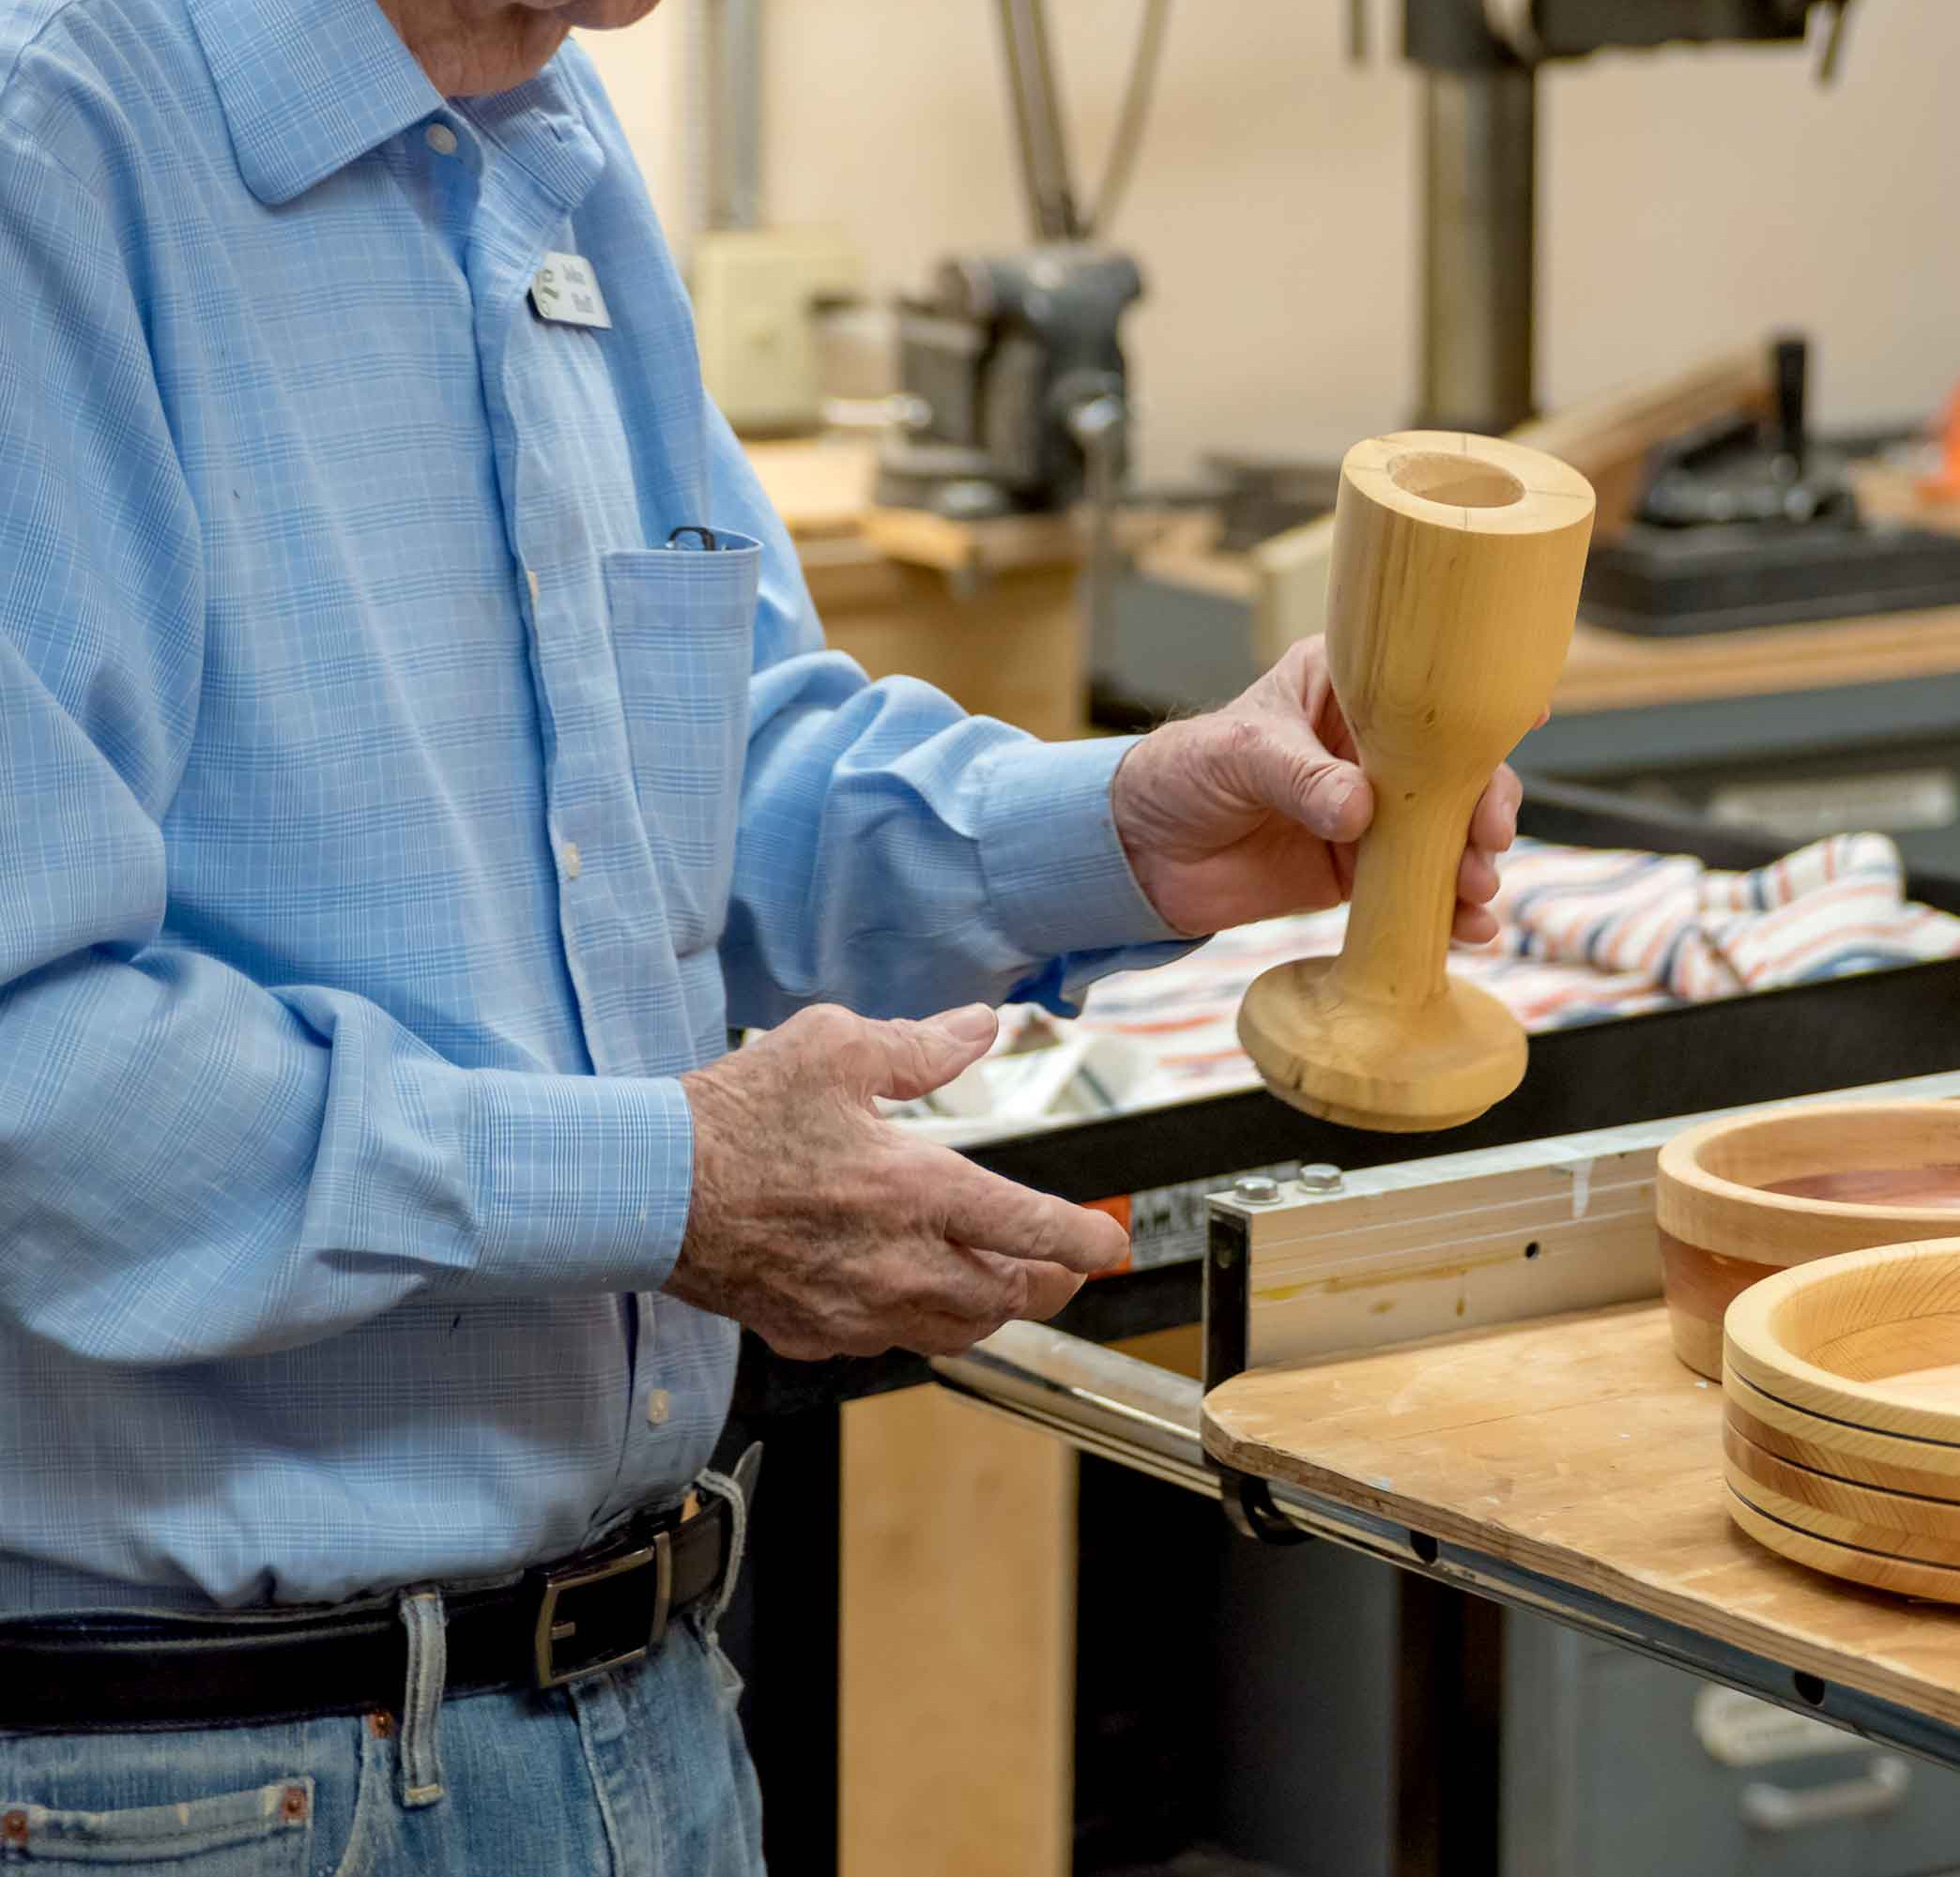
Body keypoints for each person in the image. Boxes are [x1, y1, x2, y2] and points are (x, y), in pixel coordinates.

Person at [0, 0, 1523, 1867]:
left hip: (639, 1714)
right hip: (205, 1783)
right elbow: (30, 1070)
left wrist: (1130, 830)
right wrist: (664, 1184)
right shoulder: (48, 155)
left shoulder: (542, 146)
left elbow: (704, 790)